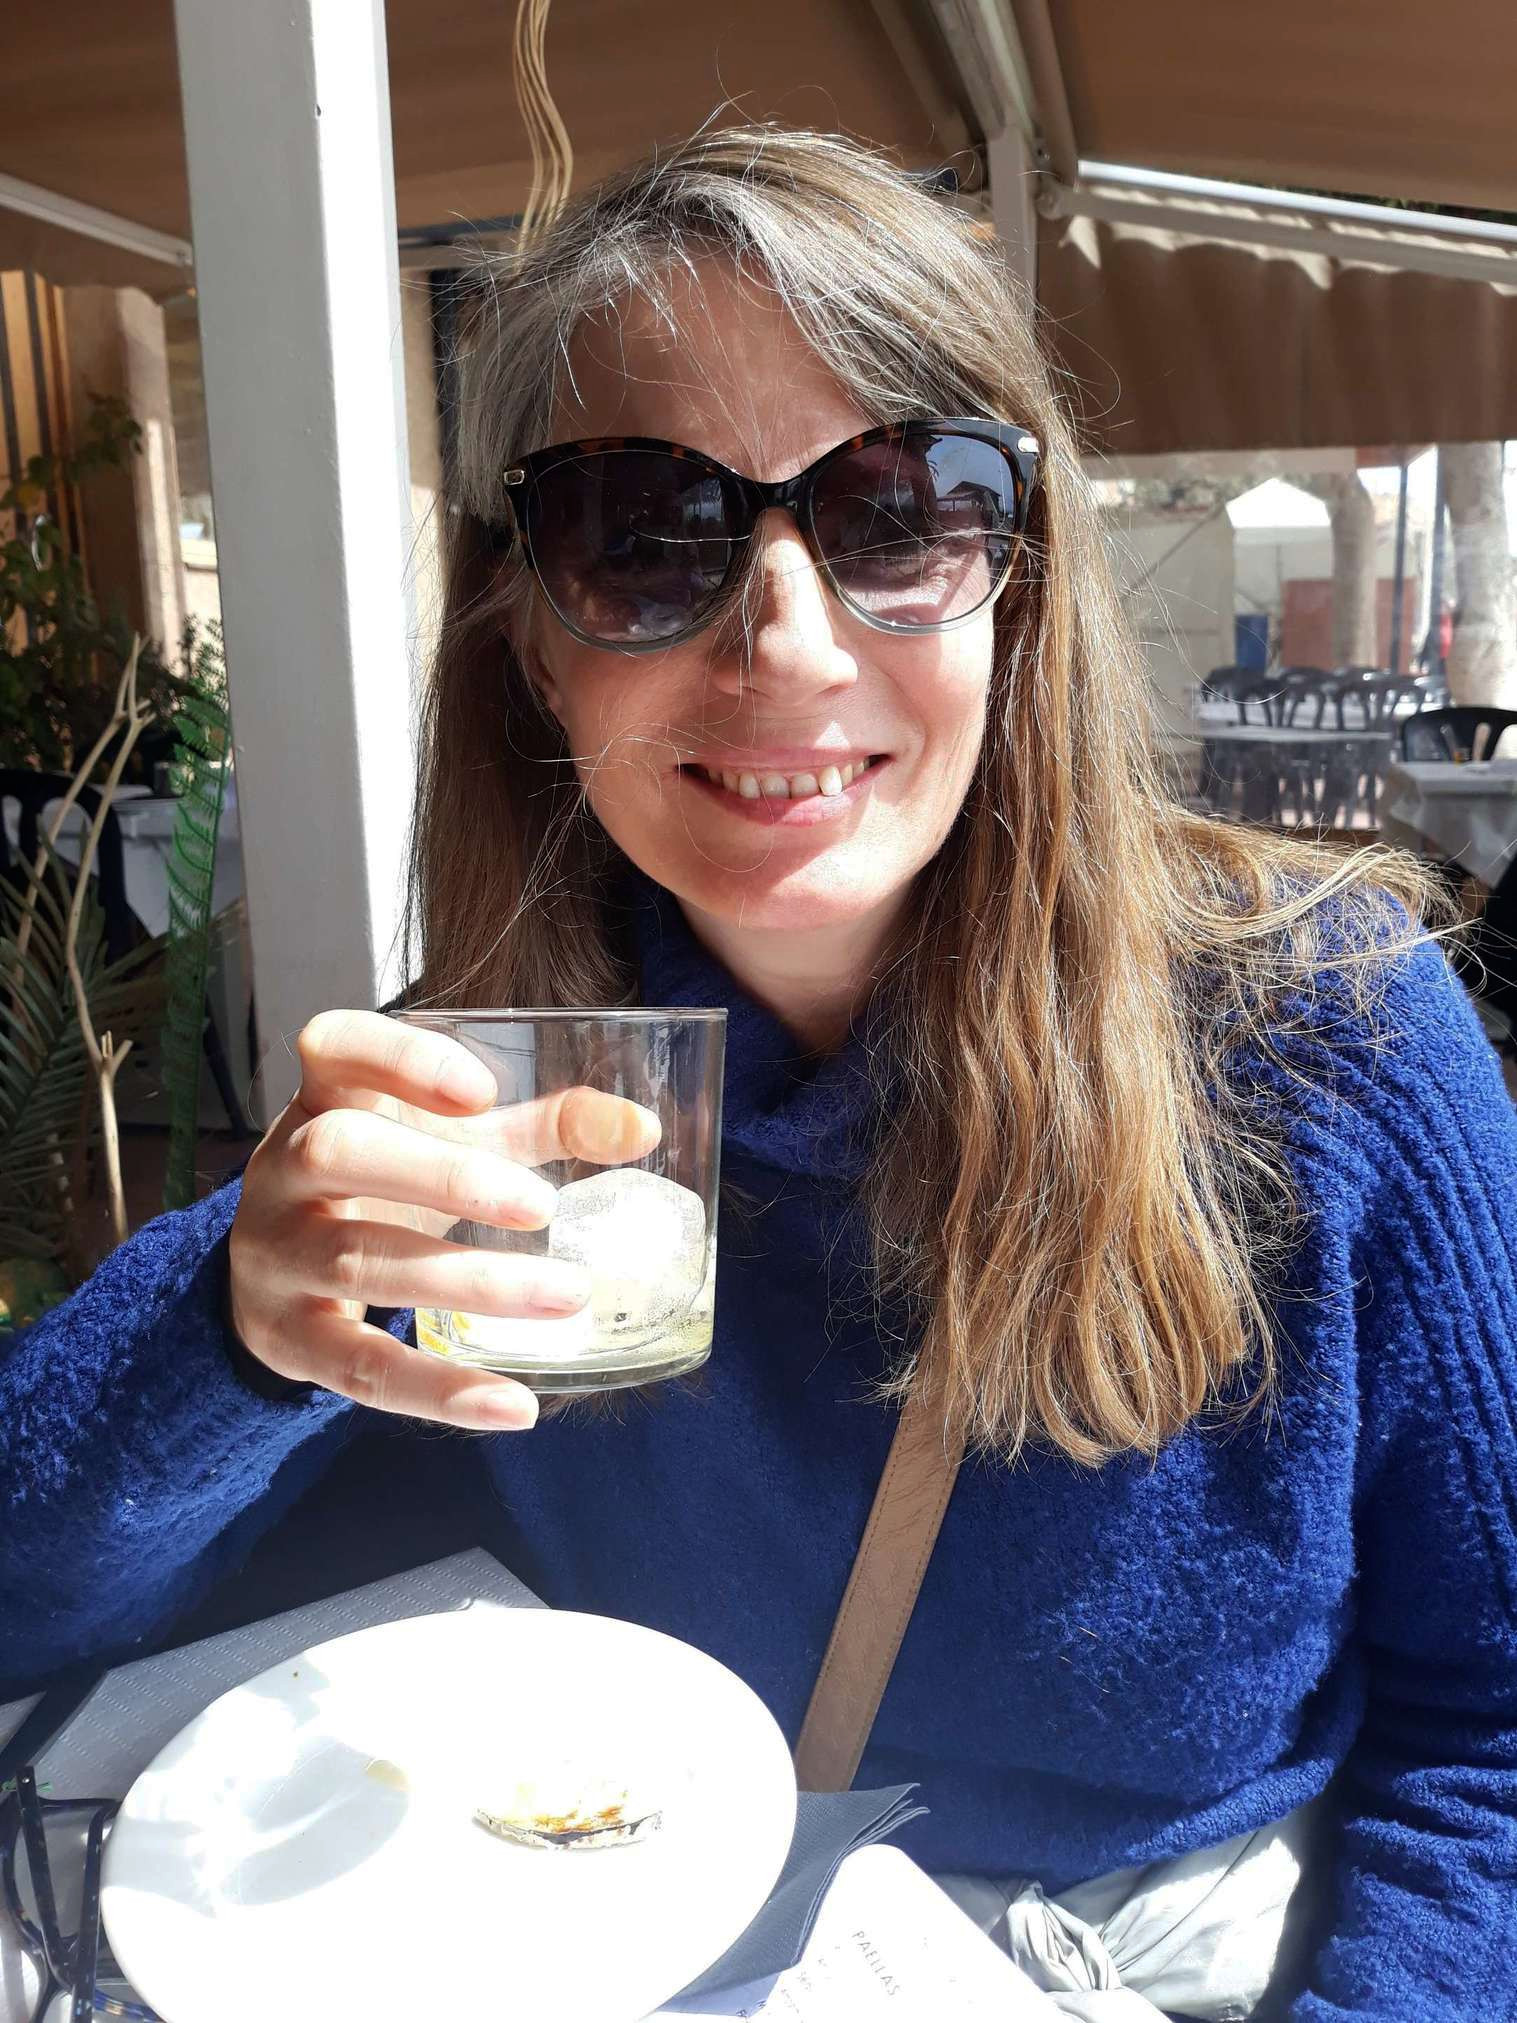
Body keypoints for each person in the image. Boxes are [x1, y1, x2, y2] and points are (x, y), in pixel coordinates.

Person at [4, 128, 1514, 2019]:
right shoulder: (491, 1098)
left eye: (898, 513)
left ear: (1015, 589)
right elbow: (30, 1593)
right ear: (527, 639)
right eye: (644, 532)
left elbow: (1491, 1729)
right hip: (631, 1935)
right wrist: (231, 1332)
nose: (784, 644)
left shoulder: (1331, 1040)